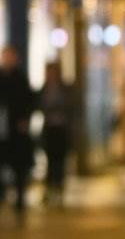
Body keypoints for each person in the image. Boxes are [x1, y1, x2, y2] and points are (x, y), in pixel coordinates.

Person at [0, 46, 36, 221]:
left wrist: (24, 120)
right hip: (2, 132)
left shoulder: (21, 80)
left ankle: (20, 202)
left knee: (19, 168)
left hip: (17, 133)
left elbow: (29, 102)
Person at [39, 62, 76, 207]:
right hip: (49, 130)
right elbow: (39, 105)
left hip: (62, 130)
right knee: (50, 161)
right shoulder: (44, 89)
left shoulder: (65, 89)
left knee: (60, 161)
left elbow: (72, 107)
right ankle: (49, 190)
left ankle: (59, 191)